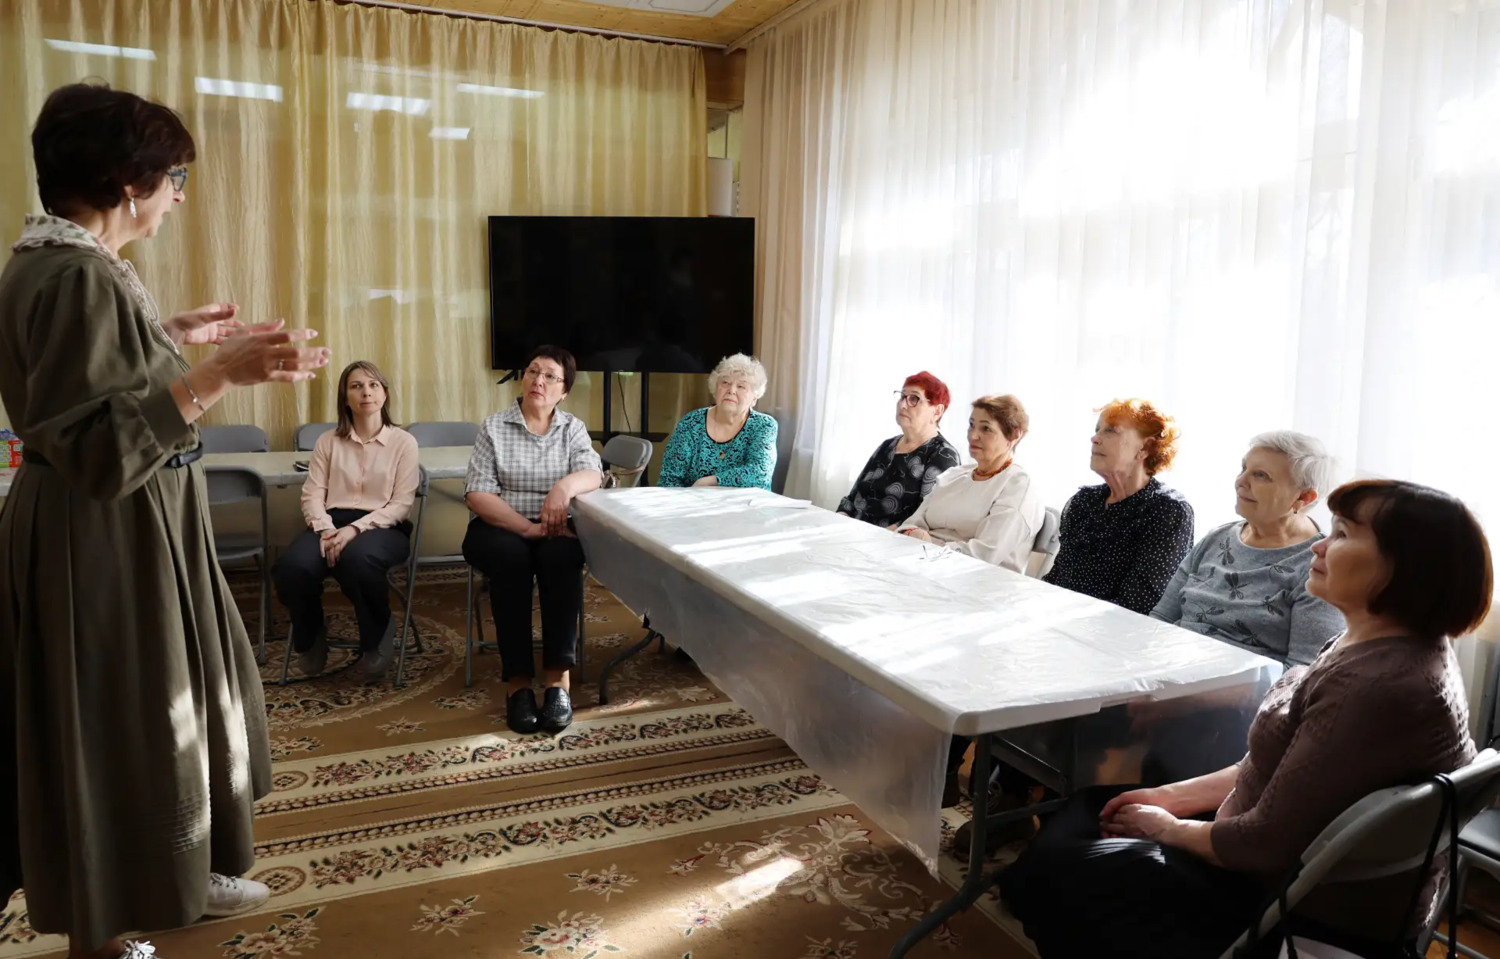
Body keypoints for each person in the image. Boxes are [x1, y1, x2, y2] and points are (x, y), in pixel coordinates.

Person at [0, 83, 331, 959]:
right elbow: (98, 448)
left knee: (171, 703)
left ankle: (179, 866)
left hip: (128, 529)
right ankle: (104, 928)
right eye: (173, 177)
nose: (178, 195)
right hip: (103, 537)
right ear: (126, 181)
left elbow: (91, 385)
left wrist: (167, 337)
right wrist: (217, 374)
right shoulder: (75, 274)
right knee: (118, 720)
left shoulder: (71, 262)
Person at [1000, 479, 1489, 959]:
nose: (1318, 545)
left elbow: (1262, 844)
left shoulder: (1377, 687)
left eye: (1342, 534)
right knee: (1087, 811)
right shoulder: (1375, 645)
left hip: (1280, 900)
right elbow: (1266, 765)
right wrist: (1168, 798)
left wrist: (1166, 827)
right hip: (1265, 856)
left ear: (1407, 568)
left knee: (1061, 867)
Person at [463, 345, 603, 736]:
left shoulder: (572, 428)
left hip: (555, 526)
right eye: (533, 372)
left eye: (550, 376)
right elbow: (478, 494)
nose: (539, 381)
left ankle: (558, 680)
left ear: (564, 391)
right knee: (512, 561)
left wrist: (563, 488)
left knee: (562, 558)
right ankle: (518, 683)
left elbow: (593, 473)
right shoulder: (494, 427)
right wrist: (525, 529)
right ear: (523, 378)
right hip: (499, 525)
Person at [275, 360, 419, 678]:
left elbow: (401, 505)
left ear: (384, 394)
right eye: (356, 386)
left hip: (383, 525)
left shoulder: (404, 443)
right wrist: (327, 530)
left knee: (358, 559)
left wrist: (355, 529)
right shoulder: (328, 441)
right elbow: (312, 495)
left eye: (373, 385)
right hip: (330, 522)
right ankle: (311, 636)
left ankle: (378, 632)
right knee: (293, 568)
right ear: (345, 398)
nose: (366, 392)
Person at [1151, 430, 1344, 666]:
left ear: (1303, 497)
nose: (1240, 481)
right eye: (1244, 469)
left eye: (1261, 475)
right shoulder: (1216, 539)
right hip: (1166, 670)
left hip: (1235, 687)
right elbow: (1158, 621)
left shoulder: (1320, 565)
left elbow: (1301, 674)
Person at [1042, 398, 1194, 612]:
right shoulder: (1083, 501)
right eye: (1097, 430)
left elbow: (1138, 605)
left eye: (1111, 431)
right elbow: (1057, 579)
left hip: (1113, 629)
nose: (1095, 438)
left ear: (1145, 448)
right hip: (1058, 617)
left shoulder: (1168, 511)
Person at [896, 394, 1044, 573]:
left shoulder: (1018, 486)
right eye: (972, 425)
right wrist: (913, 535)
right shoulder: (954, 474)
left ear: (1014, 435)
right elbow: (911, 523)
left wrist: (927, 544)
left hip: (976, 581)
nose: (973, 435)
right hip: (922, 567)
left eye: (986, 429)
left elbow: (984, 556)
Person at [836, 372, 962, 527]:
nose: (903, 405)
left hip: (891, 539)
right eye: (902, 396)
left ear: (937, 411)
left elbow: (926, 518)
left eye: (914, 399)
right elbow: (852, 498)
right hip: (851, 532)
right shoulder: (887, 445)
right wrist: (839, 521)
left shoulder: (943, 455)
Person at [658, 353, 778, 489]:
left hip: (747, 501)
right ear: (715, 388)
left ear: (754, 398)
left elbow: (760, 473)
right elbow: (669, 478)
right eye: (725, 383)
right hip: (694, 500)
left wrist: (711, 481)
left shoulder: (764, 425)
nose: (731, 390)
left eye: (741, 386)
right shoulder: (691, 423)